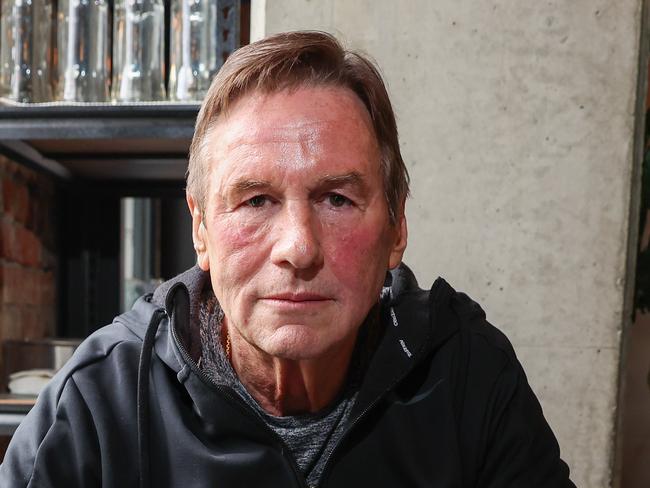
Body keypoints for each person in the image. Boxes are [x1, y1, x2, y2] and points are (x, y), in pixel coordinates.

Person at [0, 31, 575, 487]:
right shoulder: (101, 402)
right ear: (201, 229)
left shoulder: (467, 375)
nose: (298, 248)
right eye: (255, 200)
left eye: (337, 199)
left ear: (396, 225)